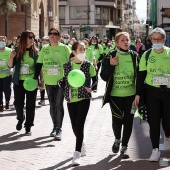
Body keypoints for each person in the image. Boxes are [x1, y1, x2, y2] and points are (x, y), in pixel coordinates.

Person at [100, 32, 139, 159]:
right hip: (115, 96)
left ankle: (124, 147)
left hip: (131, 96)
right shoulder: (110, 56)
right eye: (122, 40)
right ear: (117, 43)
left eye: (127, 39)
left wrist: (138, 94)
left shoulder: (135, 56)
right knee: (117, 120)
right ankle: (117, 139)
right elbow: (103, 76)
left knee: (129, 121)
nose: (126, 42)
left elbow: (140, 77)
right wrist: (111, 65)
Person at [134, 27, 170, 162]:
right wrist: (138, 94)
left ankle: (167, 135)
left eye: (159, 39)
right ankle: (155, 150)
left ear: (164, 40)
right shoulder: (147, 55)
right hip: (151, 92)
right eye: (153, 39)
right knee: (153, 123)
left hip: (168, 93)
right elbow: (141, 75)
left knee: (168, 121)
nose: (156, 41)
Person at [34, 28, 71, 140]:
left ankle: (59, 128)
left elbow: (71, 63)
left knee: (59, 104)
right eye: (51, 34)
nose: (53, 36)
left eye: (55, 34)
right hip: (49, 81)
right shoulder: (44, 49)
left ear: (59, 36)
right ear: (48, 36)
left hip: (61, 81)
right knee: (52, 104)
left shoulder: (65, 48)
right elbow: (39, 64)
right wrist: (36, 78)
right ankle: (54, 126)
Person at [63, 41, 96, 166]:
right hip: (71, 98)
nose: (83, 51)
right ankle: (81, 143)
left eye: (84, 49)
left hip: (84, 98)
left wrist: (92, 87)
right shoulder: (67, 66)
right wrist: (61, 84)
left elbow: (95, 79)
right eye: (80, 49)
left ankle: (76, 153)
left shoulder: (88, 65)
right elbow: (64, 80)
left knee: (80, 124)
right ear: (74, 52)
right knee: (74, 126)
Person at [8, 30, 39, 135]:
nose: (32, 40)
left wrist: (41, 81)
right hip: (19, 82)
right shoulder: (17, 50)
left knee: (31, 105)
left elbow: (39, 68)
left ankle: (28, 126)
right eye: (29, 37)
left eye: (33, 37)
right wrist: (11, 57)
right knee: (18, 103)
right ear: (24, 39)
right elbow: (10, 65)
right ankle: (20, 118)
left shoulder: (35, 52)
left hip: (31, 82)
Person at [0, 36, 12, 112]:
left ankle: (7, 101)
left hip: (7, 74)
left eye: (3, 40)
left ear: (6, 42)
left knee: (7, 89)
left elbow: (13, 62)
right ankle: (0, 104)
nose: (1, 42)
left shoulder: (9, 51)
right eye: (0, 40)